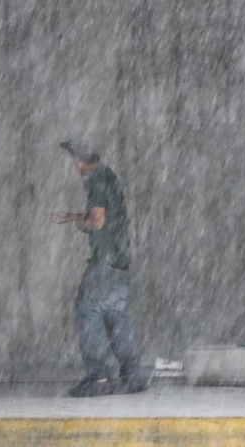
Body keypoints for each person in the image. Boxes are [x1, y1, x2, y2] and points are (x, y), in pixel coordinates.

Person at [51, 141, 148, 397]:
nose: (74, 165)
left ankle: (99, 377)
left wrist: (80, 224)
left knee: (88, 311)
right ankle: (133, 373)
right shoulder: (109, 176)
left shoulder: (95, 179)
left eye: (74, 159)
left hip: (104, 261)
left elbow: (97, 221)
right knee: (117, 316)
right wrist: (72, 217)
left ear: (81, 160)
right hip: (119, 262)